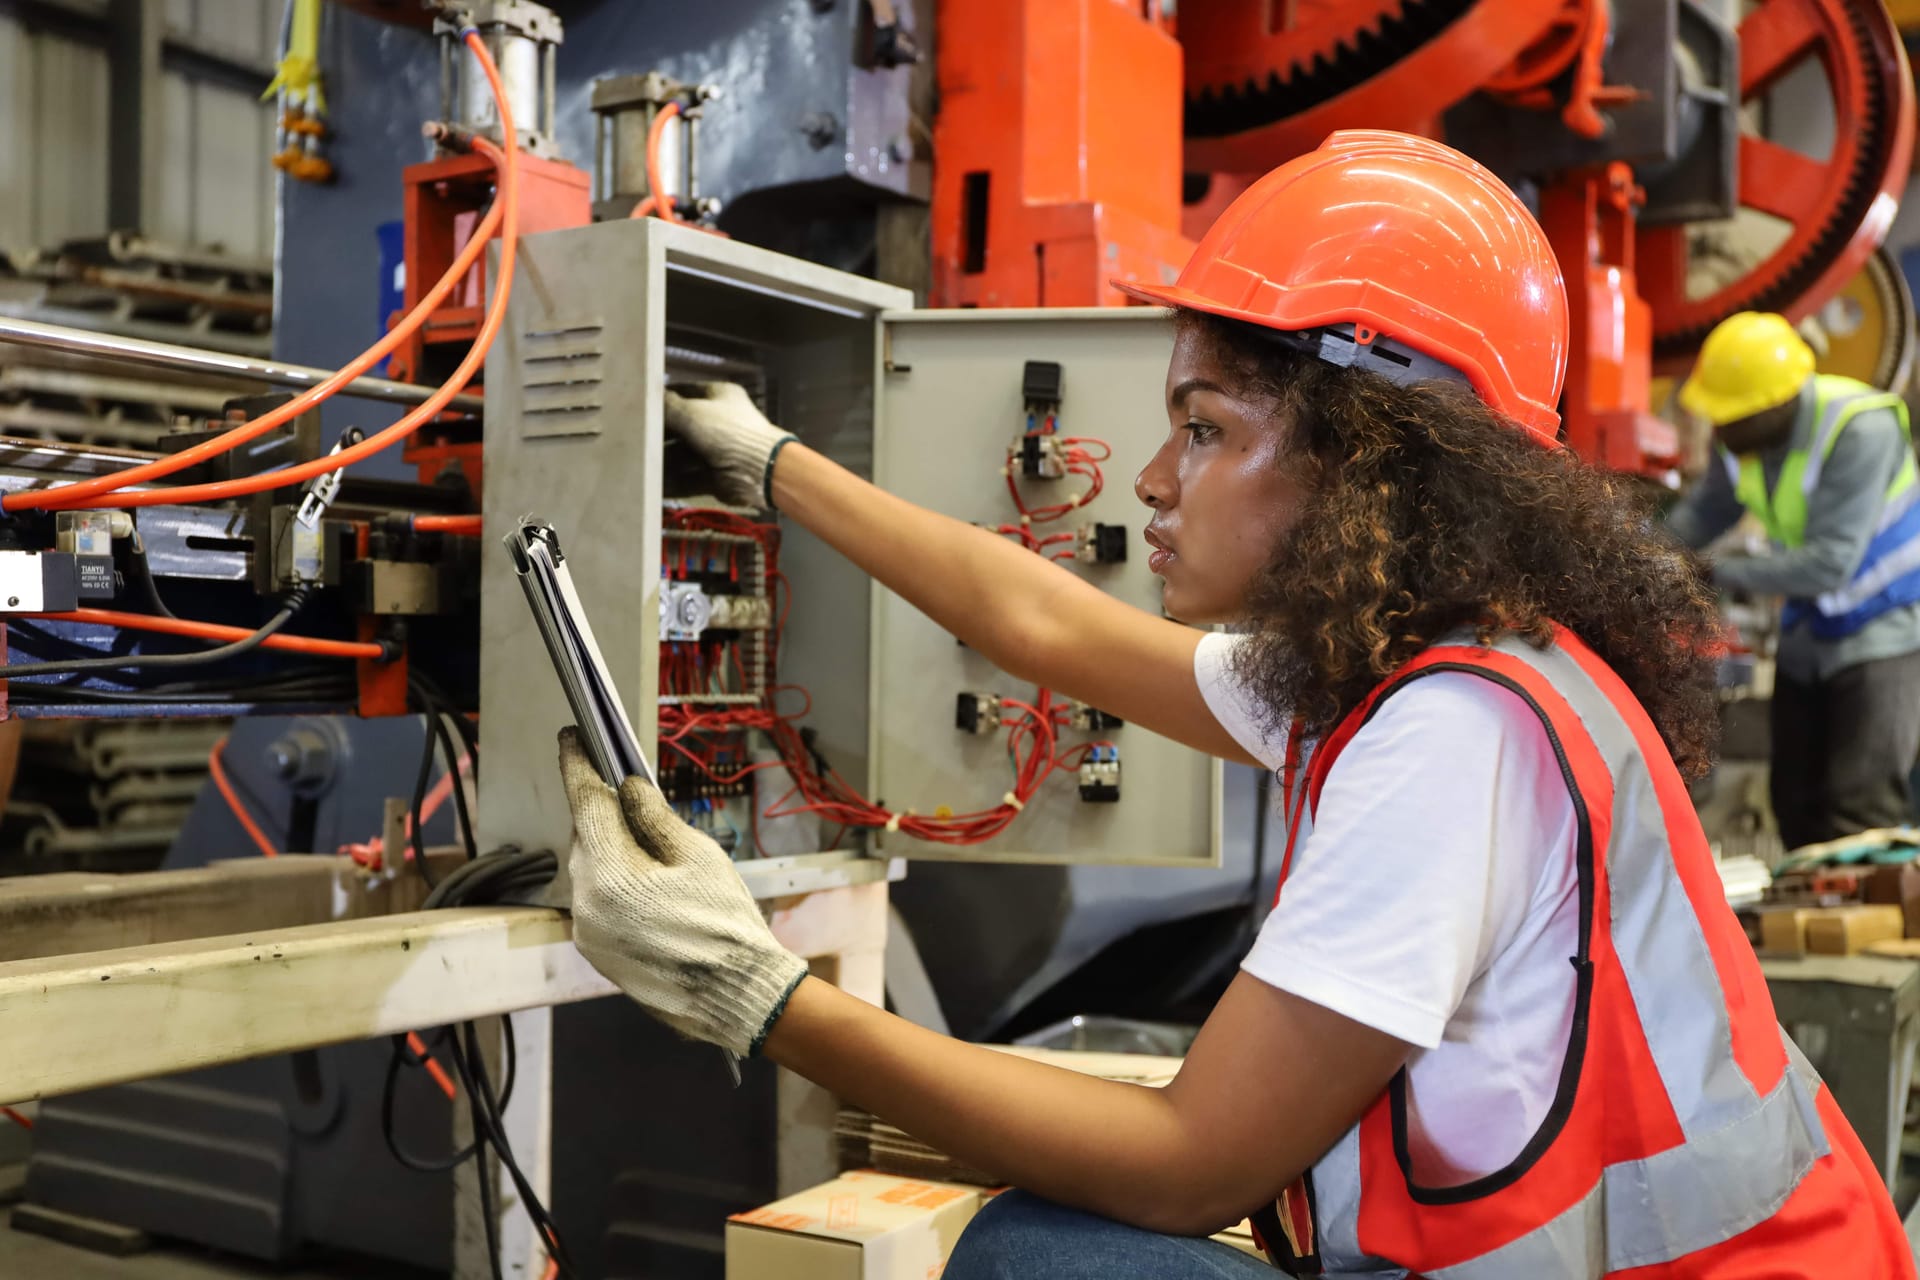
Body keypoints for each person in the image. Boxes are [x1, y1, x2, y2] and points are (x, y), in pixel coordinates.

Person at [556, 132, 1912, 1277]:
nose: (1151, 479)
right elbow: (1038, 618)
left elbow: (1188, 1166)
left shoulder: (1449, 736)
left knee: (1031, 1255)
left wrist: (756, 993)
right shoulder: (1439, 666)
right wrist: (771, 462)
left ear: (1365, 467)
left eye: (1202, 428)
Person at [1667, 312, 1920, 851]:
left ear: (1777, 405)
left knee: (1861, 809)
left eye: (1731, 419)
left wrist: (1711, 570)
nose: (1721, 430)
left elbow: (1831, 565)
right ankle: (1806, 929)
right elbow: (1705, 512)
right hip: (1808, 629)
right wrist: (1645, 554)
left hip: (1884, 629)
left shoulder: (1859, 430)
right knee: (1796, 806)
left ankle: (1866, 934)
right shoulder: (1742, 436)